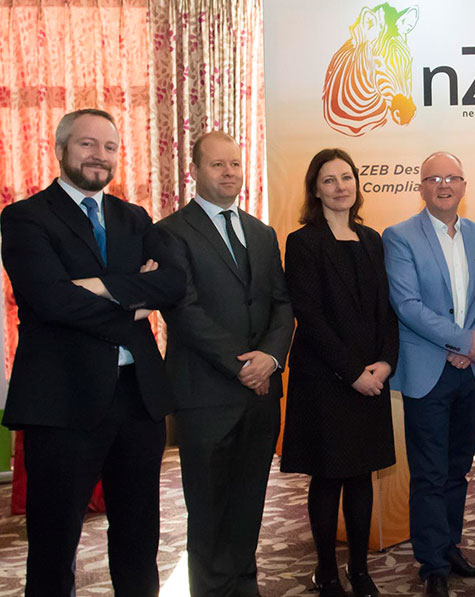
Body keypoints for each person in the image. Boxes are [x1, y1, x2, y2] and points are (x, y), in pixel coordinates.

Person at [0, 108, 185, 597]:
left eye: (109, 147)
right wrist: (132, 301)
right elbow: (50, 300)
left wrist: (98, 287)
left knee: (138, 537)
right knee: (54, 543)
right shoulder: (24, 217)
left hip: (137, 400)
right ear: (61, 149)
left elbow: (171, 283)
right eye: (86, 144)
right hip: (62, 402)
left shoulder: (136, 217)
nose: (99, 156)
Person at [158, 131, 295, 596]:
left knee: (249, 501)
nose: (229, 173)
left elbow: (282, 304)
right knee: (209, 506)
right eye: (218, 165)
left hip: (261, 394)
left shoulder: (261, 232)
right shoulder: (170, 232)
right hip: (206, 395)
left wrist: (271, 358)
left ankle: (244, 584)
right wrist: (242, 366)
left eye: (235, 164)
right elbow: (184, 309)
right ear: (194, 171)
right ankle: (213, 590)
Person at [383, 151, 475, 597]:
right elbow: (407, 305)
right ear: (421, 186)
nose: (444, 185)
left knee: (458, 469)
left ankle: (451, 546)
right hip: (428, 371)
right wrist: (460, 341)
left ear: (464, 186)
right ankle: (432, 562)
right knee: (429, 473)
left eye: (452, 177)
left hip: (470, 371)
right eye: (434, 178)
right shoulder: (398, 237)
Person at [280, 148, 399, 597]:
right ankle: (327, 570)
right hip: (327, 381)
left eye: (345, 177)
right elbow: (308, 316)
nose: (339, 187)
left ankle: (361, 569)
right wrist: (353, 373)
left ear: (356, 183)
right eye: (328, 180)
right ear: (315, 189)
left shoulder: (372, 240)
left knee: (362, 476)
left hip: (372, 377)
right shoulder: (302, 242)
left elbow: (387, 311)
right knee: (327, 477)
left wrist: (386, 363)